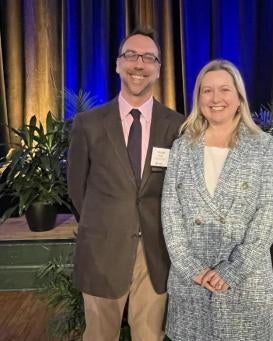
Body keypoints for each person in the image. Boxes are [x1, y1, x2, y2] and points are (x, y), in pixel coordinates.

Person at [67, 28, 184, 341]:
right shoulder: (88, 124)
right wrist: (107, 223)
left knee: (149, 336)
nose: (139, 64)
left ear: (158, 69)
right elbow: (76, 189)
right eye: (131, 55)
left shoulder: (176, 126)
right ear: (118, 65)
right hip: (102, 251)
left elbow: (178, 190)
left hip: (154, 254)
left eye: (148, 58)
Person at [161, 59, 273, 340]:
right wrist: (193, 268)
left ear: (239, 98)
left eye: (225, 90)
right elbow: (170, 214)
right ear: (198, 98)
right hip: (192, 285)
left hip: (246, 285)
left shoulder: (265, 147)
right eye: (207, 90)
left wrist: (231, 271)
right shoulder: (181, 148)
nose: (216, 98)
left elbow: (268, 218)